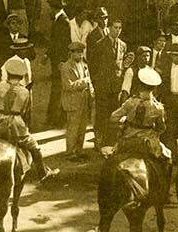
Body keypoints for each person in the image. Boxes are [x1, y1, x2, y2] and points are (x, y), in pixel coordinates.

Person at [110, 67, 170, 161]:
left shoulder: (131, 102)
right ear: (154, 88)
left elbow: (113, 117)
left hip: (128, 139)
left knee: (111, 159)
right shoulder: (158, 108)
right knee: (168, 156)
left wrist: (125, 120)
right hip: (148, 142)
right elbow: (161, 128)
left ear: (140, 86)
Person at [89, 19, 126, 148]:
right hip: (103, 86)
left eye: (120, 28)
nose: (117, 30)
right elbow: (93, 66)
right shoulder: (100, 44)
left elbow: (122, 66)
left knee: (114, 113)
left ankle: (111, 141)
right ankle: (99, 140)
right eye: (115, 27)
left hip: (115, 87)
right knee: (102, 114)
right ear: (109, 28)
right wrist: (96, 83)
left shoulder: (123, 45)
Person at [61, 42, 94, 160]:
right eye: (78, 52)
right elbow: (67, 86)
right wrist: (84, 82)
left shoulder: (84, 65)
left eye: (82, 52)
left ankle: (79, 150)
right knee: (73, 128)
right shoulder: (66, 67)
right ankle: (70, 152)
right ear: (71, 53)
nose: (80, 55)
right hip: (72, 101)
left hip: (84, 101)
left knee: (82, 128)